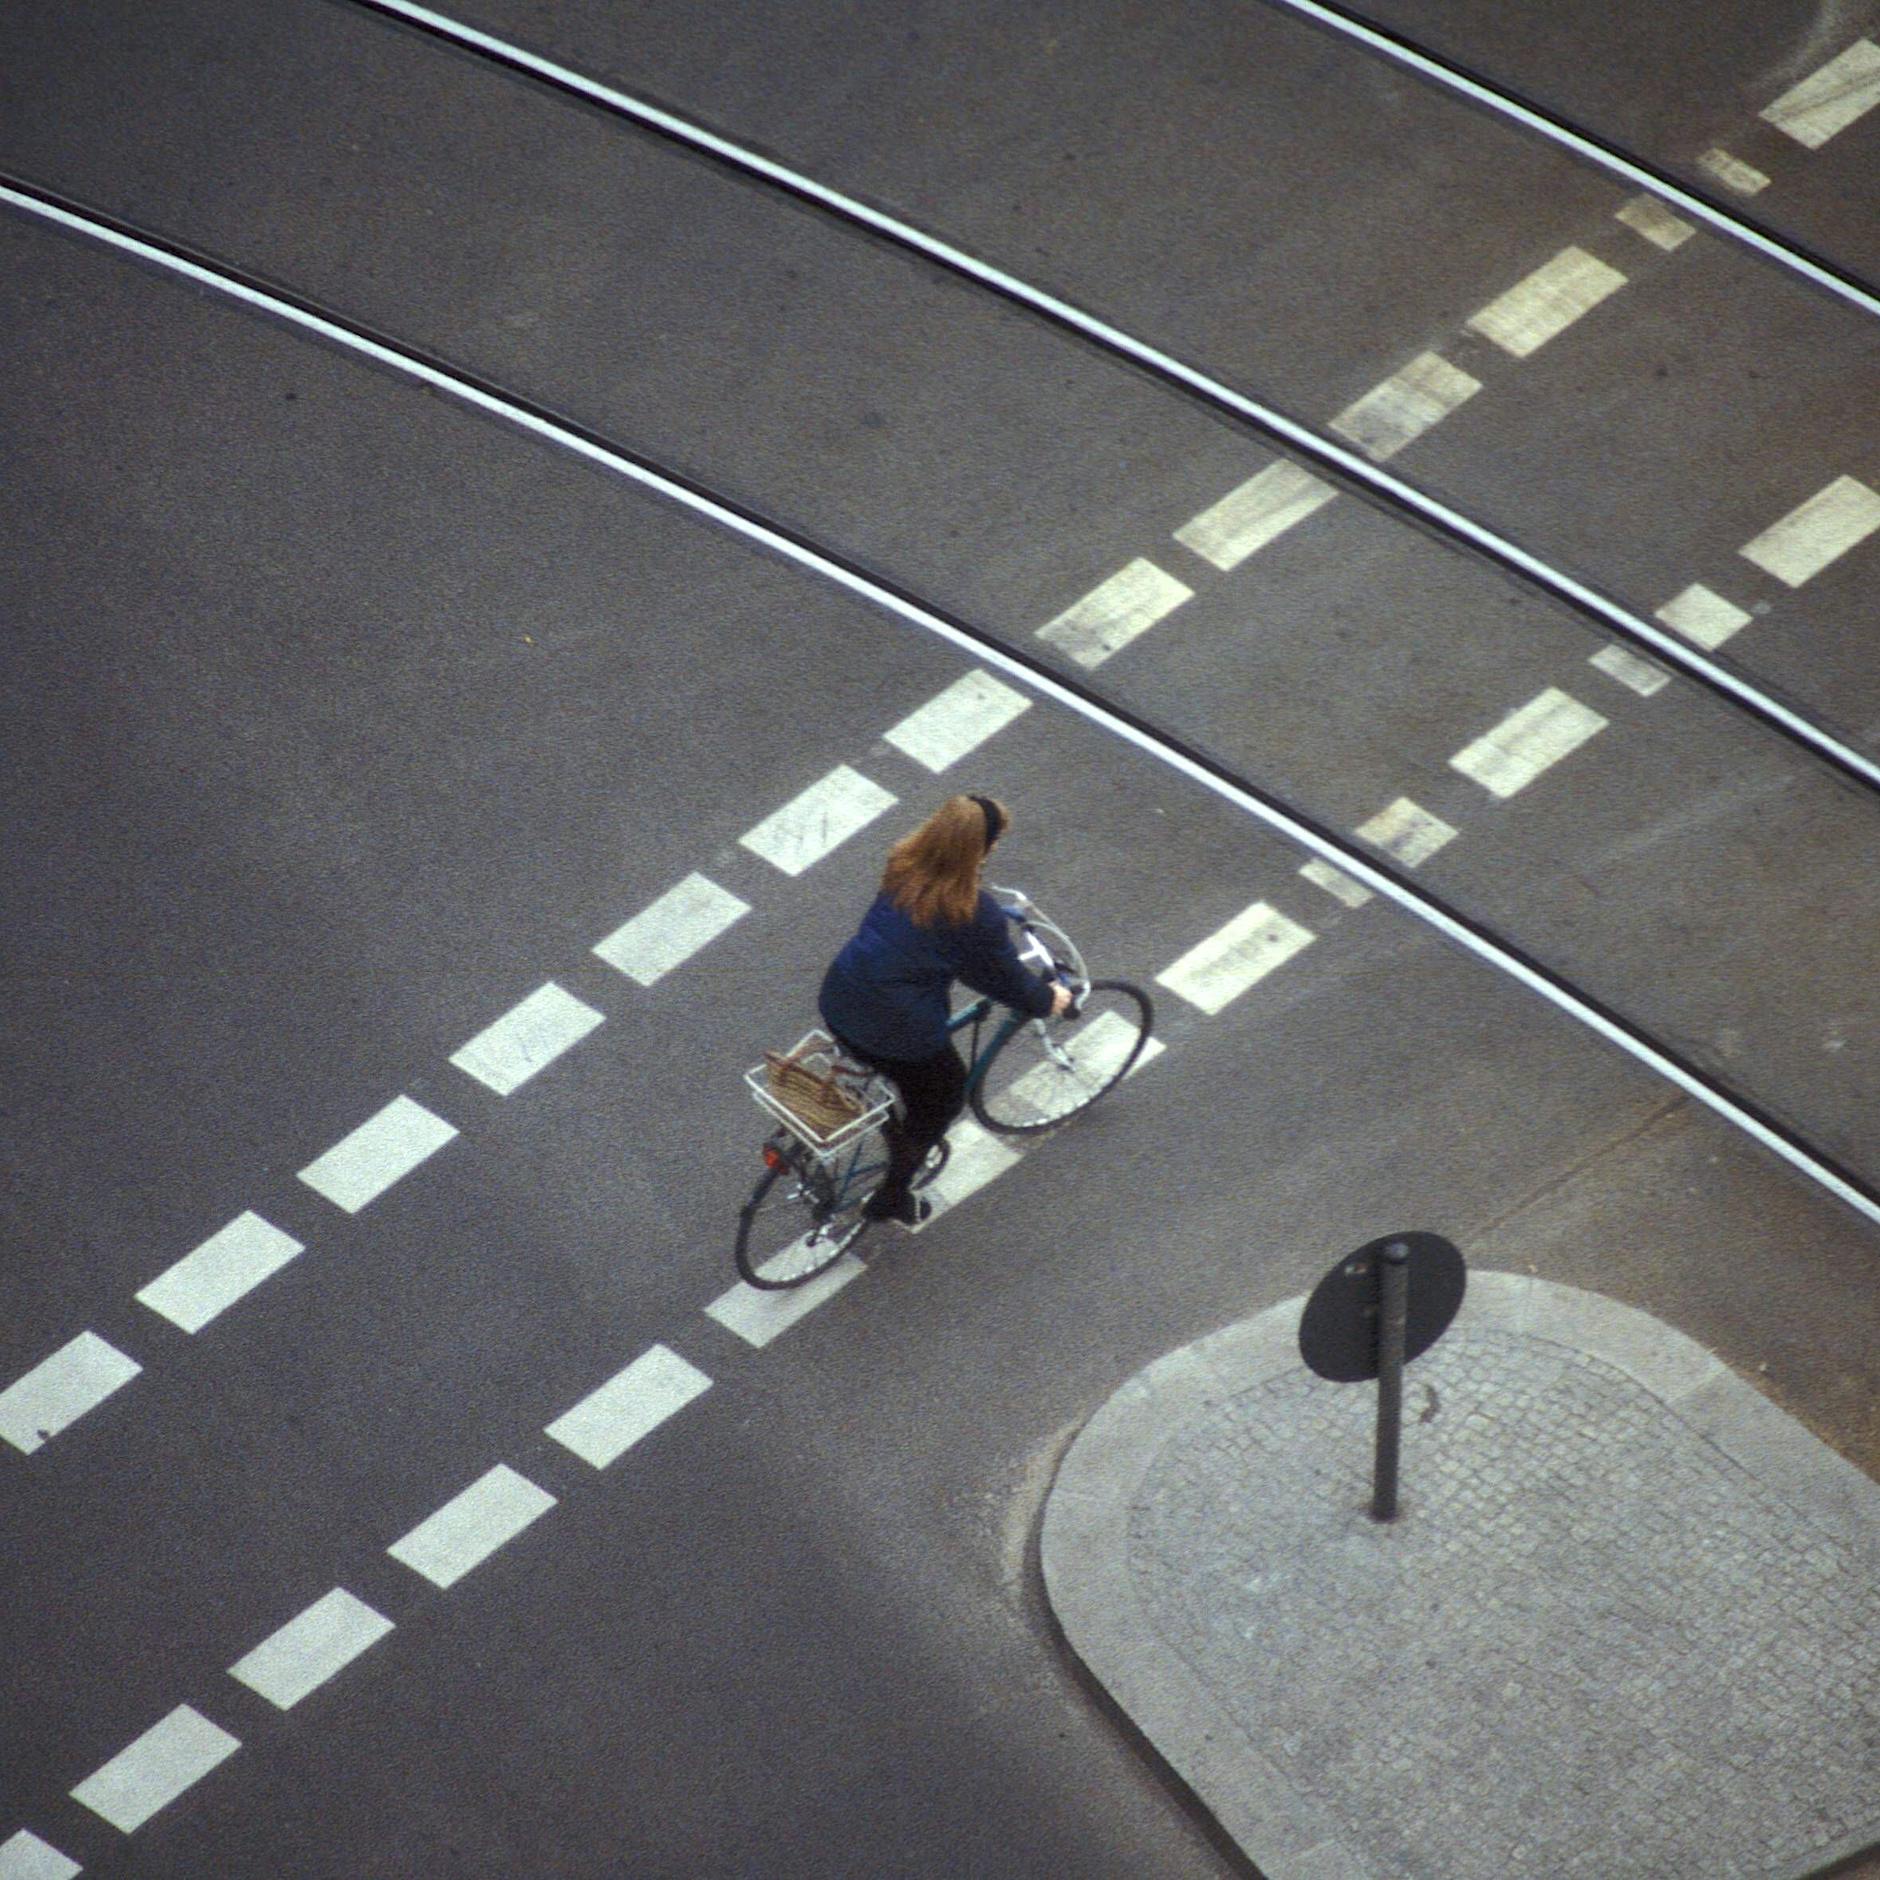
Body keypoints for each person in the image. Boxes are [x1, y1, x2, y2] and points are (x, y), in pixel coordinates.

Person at [819, 794, 1072, 1227]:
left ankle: (891, 1128)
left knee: (903, 1073)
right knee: (942, 1099)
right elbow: (1000, 978)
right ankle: (891, 1199)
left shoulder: (902, 867)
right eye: (995, 841)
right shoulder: (973, 912)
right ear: (982, 848)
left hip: (840, 997)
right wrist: (1046, 999)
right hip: (897, 1030)